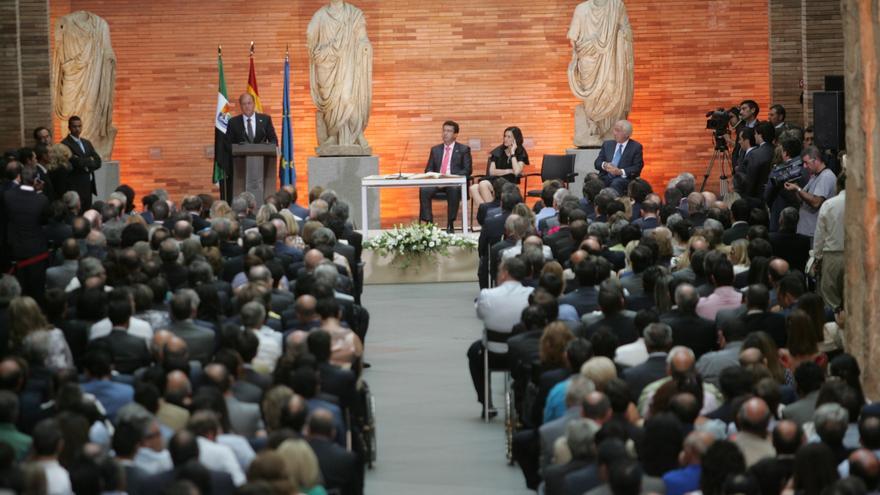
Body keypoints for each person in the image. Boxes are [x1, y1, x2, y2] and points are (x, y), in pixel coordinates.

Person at [1, 165, 50, 301]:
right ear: (36, 180)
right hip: (36, 250)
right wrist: (39, 192)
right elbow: (44, 220)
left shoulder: (8, 196)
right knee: (36, 290)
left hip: (15, 248)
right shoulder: (41, 199)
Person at [418, 121, 473, 233]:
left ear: (455, 134)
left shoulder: (463, 150)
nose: (445, 133)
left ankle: (450, 223)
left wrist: (451, 178)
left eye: (449, 131)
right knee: (424, 189)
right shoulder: (435, 150)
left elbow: (467, 170)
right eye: (444, 130)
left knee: (453, 189)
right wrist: (435, 177)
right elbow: (428, 169)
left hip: (453, 183)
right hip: (437, 181)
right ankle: (429, 223)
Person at [224, 93, 278, 200]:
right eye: (244, 104)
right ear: (240, 106)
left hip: (263, 166)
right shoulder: (233, 122)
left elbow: (274, 140)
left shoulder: (265, 119)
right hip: (240, 167)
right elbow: (227, 144)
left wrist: (266, 147)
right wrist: (238, 150)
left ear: (254, 104)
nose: (247, 106)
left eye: (249, 103)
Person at [784, 146, 837, 245]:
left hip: (814, 233)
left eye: (806, 162)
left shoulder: (826, 176)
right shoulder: (815, 176)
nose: (804, 166)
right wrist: (795, 188)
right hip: (807, 231)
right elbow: (802, 200)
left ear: (815, 160)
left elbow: (816, 202)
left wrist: (797, 188)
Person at [471, 127, 529, 206]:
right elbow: (492, 171)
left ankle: (491, 212)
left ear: (516, 139)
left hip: (509, 182)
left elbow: (516, 171)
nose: (505, 139)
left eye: (509, 137)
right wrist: (508, 171)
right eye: (505, 136)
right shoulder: (499, 150)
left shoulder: (520, 152)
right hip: (495, 180)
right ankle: (490, 212)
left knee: (483, 184)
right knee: (473, 188)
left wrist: (512, 153)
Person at [813, 172, 845, 309]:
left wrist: (817, 257)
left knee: (831, 301)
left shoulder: (829, 204)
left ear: (838, 185)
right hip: (859, 256)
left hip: (833, 255)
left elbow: (820, 235)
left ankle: (832, 328)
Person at [60, 115, 102, 210]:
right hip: (75, 185)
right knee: (77, 212)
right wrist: (89, 160)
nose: (77, 129)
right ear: (69, 128)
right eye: (74, 126)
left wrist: (86, 164)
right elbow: (75, 163)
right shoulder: (65, 144)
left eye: (79, 126)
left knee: (87, 211)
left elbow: (98, 161)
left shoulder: (86, 142)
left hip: (89, 185)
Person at [593, 120, 644, 195]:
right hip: (605, 176)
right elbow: (597, 163)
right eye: (614, 130)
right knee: (592, 180)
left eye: (617, 131)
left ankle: (614, 206)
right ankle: (593, 205)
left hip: (623, 179)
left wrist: (620, 171)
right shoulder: (607, 144)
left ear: (627, 134)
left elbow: (637, 167)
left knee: (616, 183)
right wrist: (605, 165)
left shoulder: (636, 147)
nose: (614, 133)